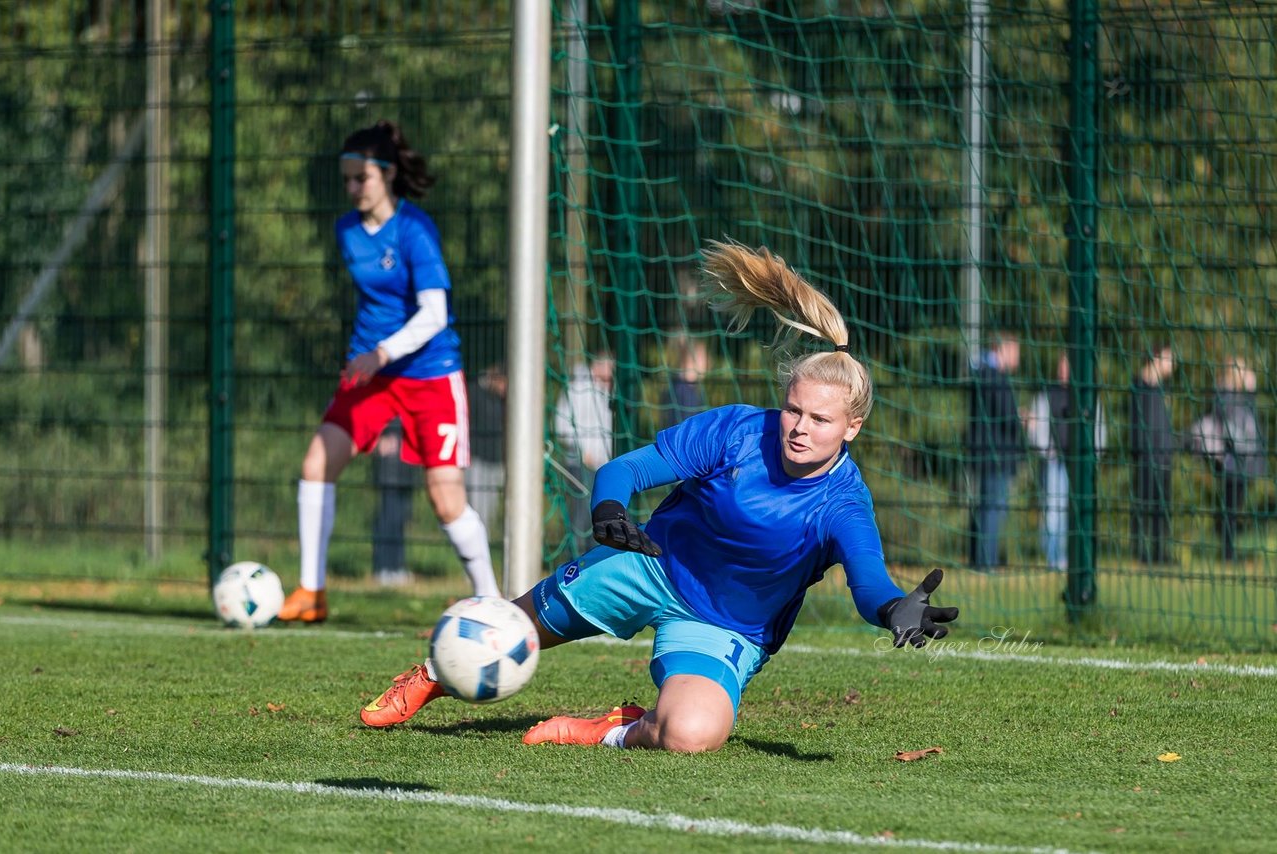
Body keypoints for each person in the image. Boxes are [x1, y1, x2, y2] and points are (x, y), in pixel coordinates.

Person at [358, 240, 958, 753]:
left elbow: (867, 582)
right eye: (793, 409)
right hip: (650, 566)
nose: (800, 427)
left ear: (851, 428)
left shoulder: (844, 504)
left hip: (726, 626)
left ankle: (614, 730)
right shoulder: (737, 431)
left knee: (692, 734)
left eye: (820, 420)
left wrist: (890, 609)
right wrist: (609, 512)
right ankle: (433, 673)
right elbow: (626, 469)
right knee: (509, 629)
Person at [278, 119, 500, 623]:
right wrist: (372, 358)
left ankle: (492, 602)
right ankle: (311, 592)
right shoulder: (346, 231)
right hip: (372, 377)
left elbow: (435, 314)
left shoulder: (416, 230)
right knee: (317, 463)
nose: (353, 189)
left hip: (430, 374)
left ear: (388, 175)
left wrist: (382, 352)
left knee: (445, 500)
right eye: (347, 180)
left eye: (362, 179)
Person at [1026, 353, 1107, 572]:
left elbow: (1098, 428)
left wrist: (1093, 458)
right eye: (1062, 364)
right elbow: (1037, 426)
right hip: (1055, 462)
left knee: (1078, 511)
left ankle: (1077, 558)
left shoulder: (1087, 395)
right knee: (1053, 510)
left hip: (1079, 464)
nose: (1065, 370)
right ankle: (1054, 558)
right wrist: (1046, 450)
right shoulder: (1048, 394)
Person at [1189, 357, 1266, 561]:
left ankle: (1228, 550)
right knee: (1229, 508)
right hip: (1231, 462)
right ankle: (1227, 553)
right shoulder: (1225, 396)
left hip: (1242, 463)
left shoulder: (1236, 397)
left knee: (1233, 507)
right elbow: (1233, 423)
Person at [966, 333, 1025, 570]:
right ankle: (985, 562)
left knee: (985, 507)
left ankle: (980, 559)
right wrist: (1022, 419)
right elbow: (1007, 416)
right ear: (1004, 349)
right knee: (992, 508)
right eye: (1015, 350)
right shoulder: (994, 377)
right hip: (995, 455)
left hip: (985, 454)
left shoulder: (982, 373)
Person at [554, 357, 615, 554]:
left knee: (600, 515)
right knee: (580, 518)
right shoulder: (578, 387)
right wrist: (583, 451)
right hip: (580, 464)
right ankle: (571, 562)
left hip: (603, 465)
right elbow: (561, 425)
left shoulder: (607, 390)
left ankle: (593, 562)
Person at [1129, 343, 1175, 564]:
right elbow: (1137, 424)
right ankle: (1140, 551)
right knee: (1143, 504)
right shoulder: (1140, 385)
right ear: (1157, 357)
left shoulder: (1161, 389)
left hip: (1164, 455)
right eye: (1169, 358)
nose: (1172, 364)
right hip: (1147, 456)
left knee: (1161, 506)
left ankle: (1159, 551)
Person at [370, 418, 417, 587]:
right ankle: (383, 567)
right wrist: (377, 441)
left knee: (400, 520)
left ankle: (397, 566)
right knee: (388, 519)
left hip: (406, 468)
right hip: (389, 469)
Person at [465, 362, 507, 533]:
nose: (505, 388)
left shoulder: (504, 400)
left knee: (489, 510)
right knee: (477, 509)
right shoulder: (473, 391)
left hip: (496, 461)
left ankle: (484, 543)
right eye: (503, 383)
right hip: (477, 460)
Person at [660, 336, 710, 429]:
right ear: (690, 359)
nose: (707, 363)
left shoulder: (686, 388)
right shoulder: (682, 391)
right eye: (703, 358)